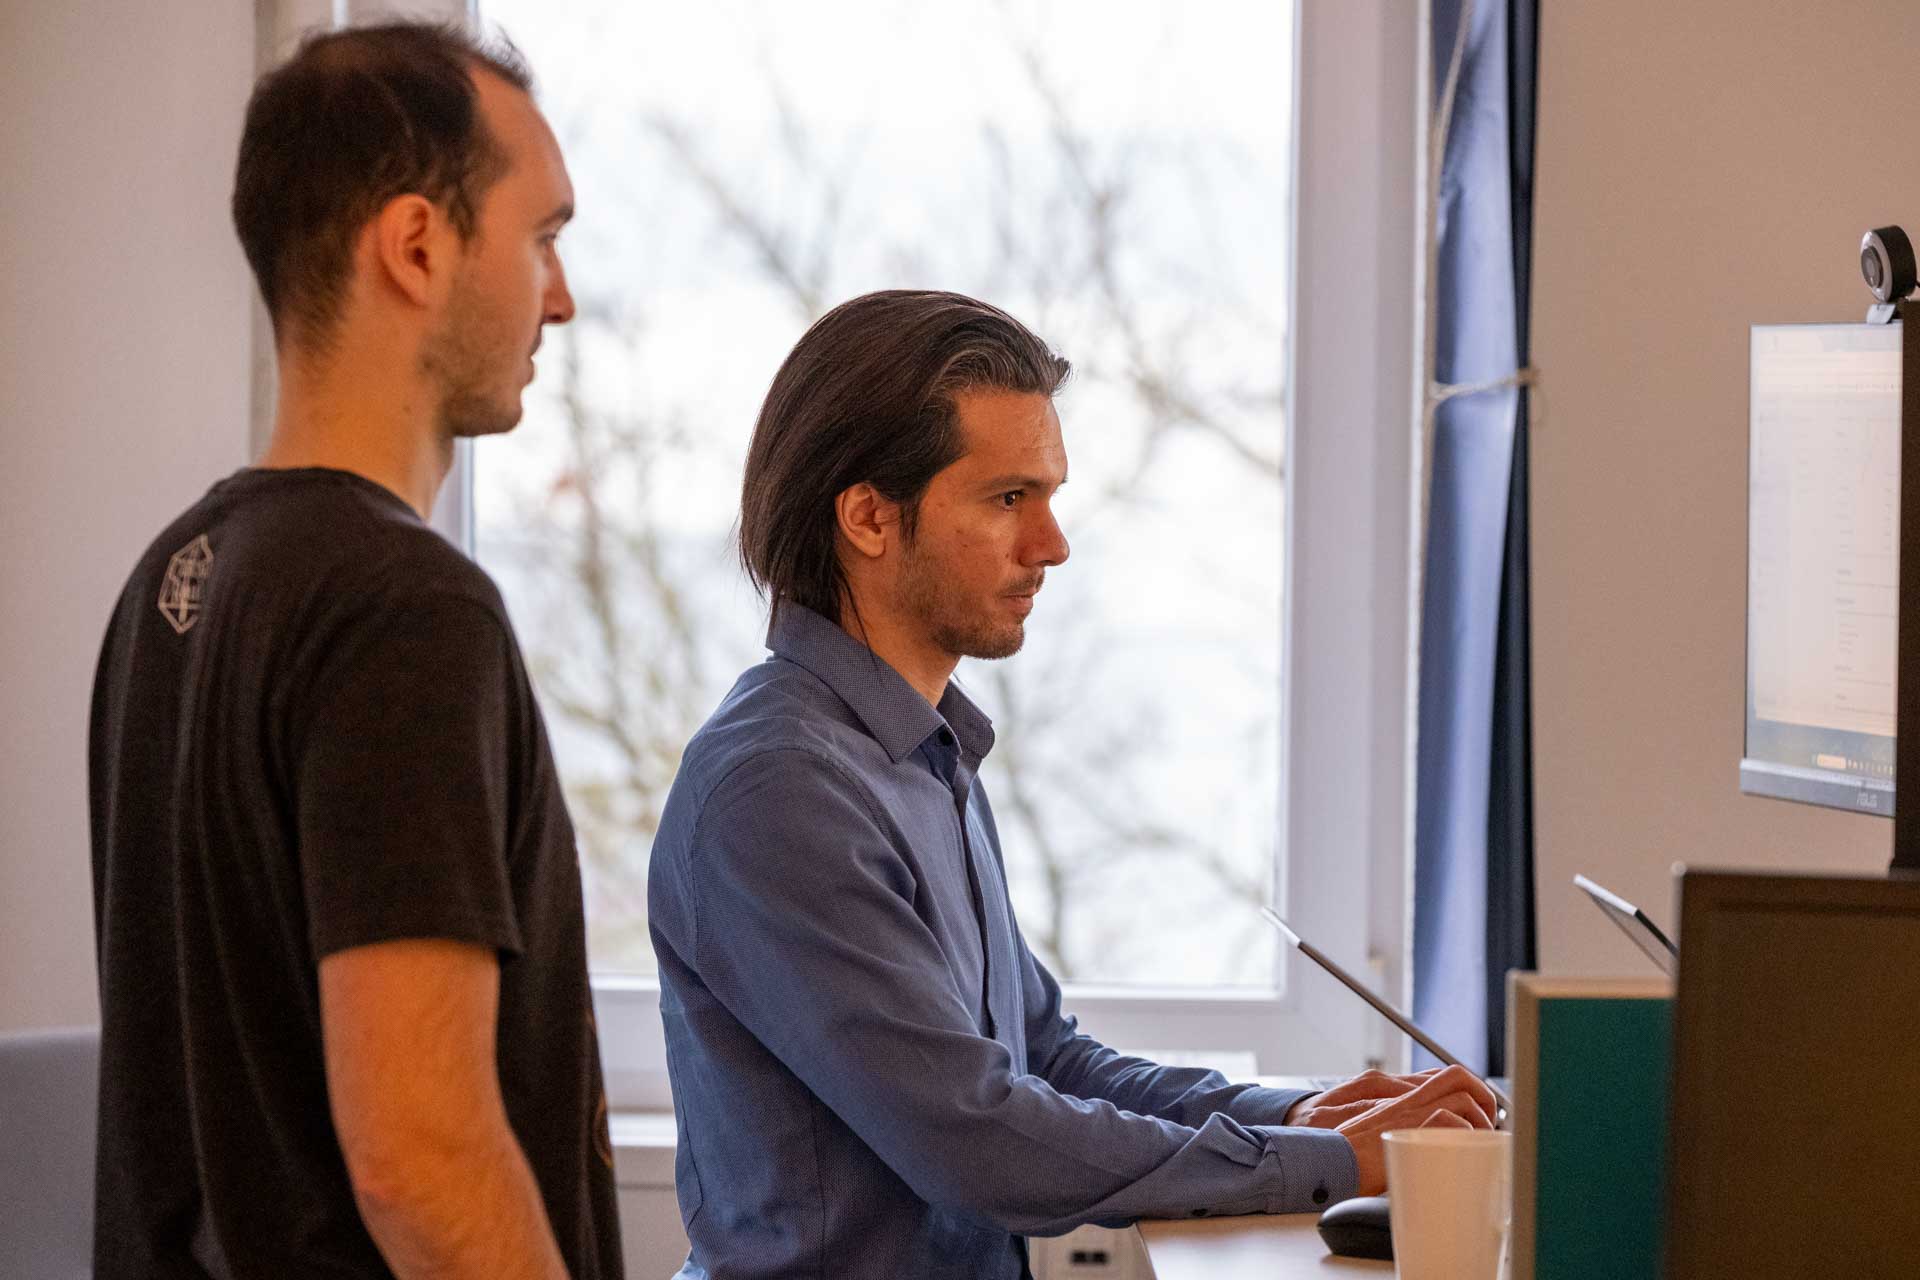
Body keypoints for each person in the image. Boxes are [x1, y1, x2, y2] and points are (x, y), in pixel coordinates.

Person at [648, 289, 1498, 1278]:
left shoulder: (923, 755)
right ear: (870, 516)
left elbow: (1046, 1055)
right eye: (1009, 498)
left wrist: (1302, 1116)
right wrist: (1330, 1163)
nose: (1051, 544)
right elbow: (978, 1138)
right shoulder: (781, 787)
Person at [87, 23, 622, 1279]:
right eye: (541, 237)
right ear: (418, 245)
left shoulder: (175, 578)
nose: (560, 296)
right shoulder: (403, 607)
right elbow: (421, 1156)